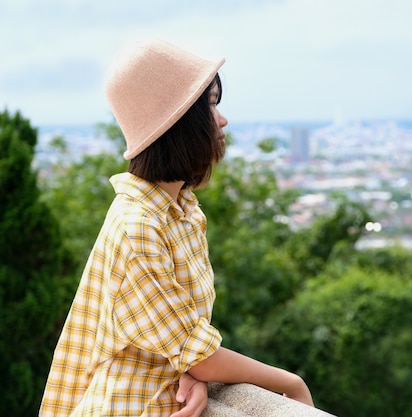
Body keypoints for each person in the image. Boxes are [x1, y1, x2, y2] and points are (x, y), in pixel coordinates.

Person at [39, 39, 313, 417]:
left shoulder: (180, 211)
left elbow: (182, 343)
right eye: (212, 105)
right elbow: (198, 353)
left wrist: (193, 371)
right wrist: (290, 382)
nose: (222, 119)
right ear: (179, 122)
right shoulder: (139, 225)